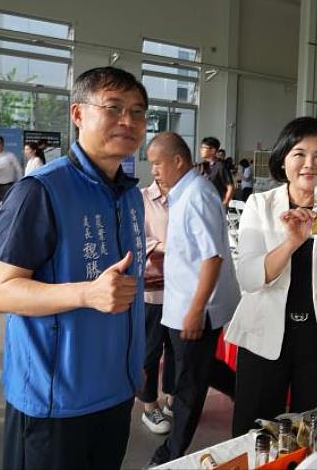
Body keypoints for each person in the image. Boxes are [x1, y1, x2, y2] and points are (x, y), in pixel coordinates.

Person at [0, 67, 148, 469]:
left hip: (116, 392)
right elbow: (3, 291)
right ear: (78, 114)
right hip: (55, 402)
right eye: (113, 108)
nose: (128, 121)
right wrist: (86, 293)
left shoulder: (130, 196)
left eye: (137, 111)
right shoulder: (40, 191)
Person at [226, 117, 317, 436]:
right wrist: (292, 242)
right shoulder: (261, 205)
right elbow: (250, 279)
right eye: (299, 153)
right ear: (283, 159)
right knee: (255, 432)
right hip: (264, 334)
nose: (309, 164)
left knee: (313, 433)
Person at [147, 132, 240, 466]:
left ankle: (169, 455)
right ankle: (248, 394)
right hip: (180, 303)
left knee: (189, 383)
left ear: (177, 161)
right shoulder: (183, 193)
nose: (154, 171)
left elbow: (212, 257)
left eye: (157, 163)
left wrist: (196, 310)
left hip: (195, 307)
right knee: (199, 367)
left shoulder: (197, 195)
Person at [139, 141, 176, 436]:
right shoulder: (141, 199)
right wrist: (164, 246)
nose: (156, 170)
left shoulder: (187, 197)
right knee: (150, 352)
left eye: (161, 163)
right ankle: (149, 405)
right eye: (153, 164)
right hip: (152, 292)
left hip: (182, 292)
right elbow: (135, 238)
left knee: (176, 351)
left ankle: (171, 399)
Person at [196, 137, 235, 207]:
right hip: (203, 205)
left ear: (213, 150)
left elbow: (230, 187)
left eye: (204, 148)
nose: (201, 150)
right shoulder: (201, 166)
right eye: (201, 148)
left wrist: (224, 203)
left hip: (215, 206)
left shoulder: (220, 166)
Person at [0, 135, 23, 208]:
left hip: (8, 186)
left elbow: (18, 169)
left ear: (3, 144)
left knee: (9, 206)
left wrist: (19, 182)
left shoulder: (10, 156)